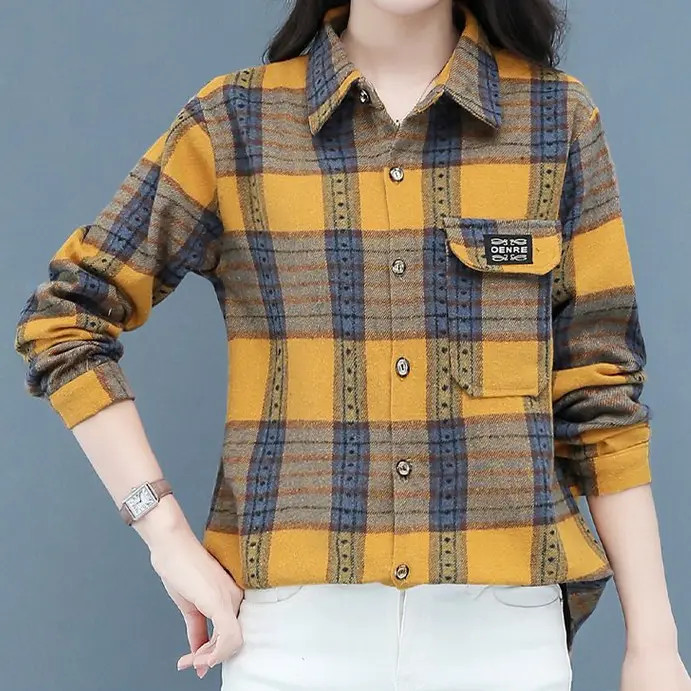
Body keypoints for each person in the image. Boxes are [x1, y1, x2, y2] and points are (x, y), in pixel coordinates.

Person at [13, 0, 690, 689]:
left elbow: (599, 394)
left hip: (503, 637)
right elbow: (64, 318)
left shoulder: (554, 120)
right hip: (294, 641)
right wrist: (163, 535)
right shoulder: (235, 124)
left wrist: (654, 643)